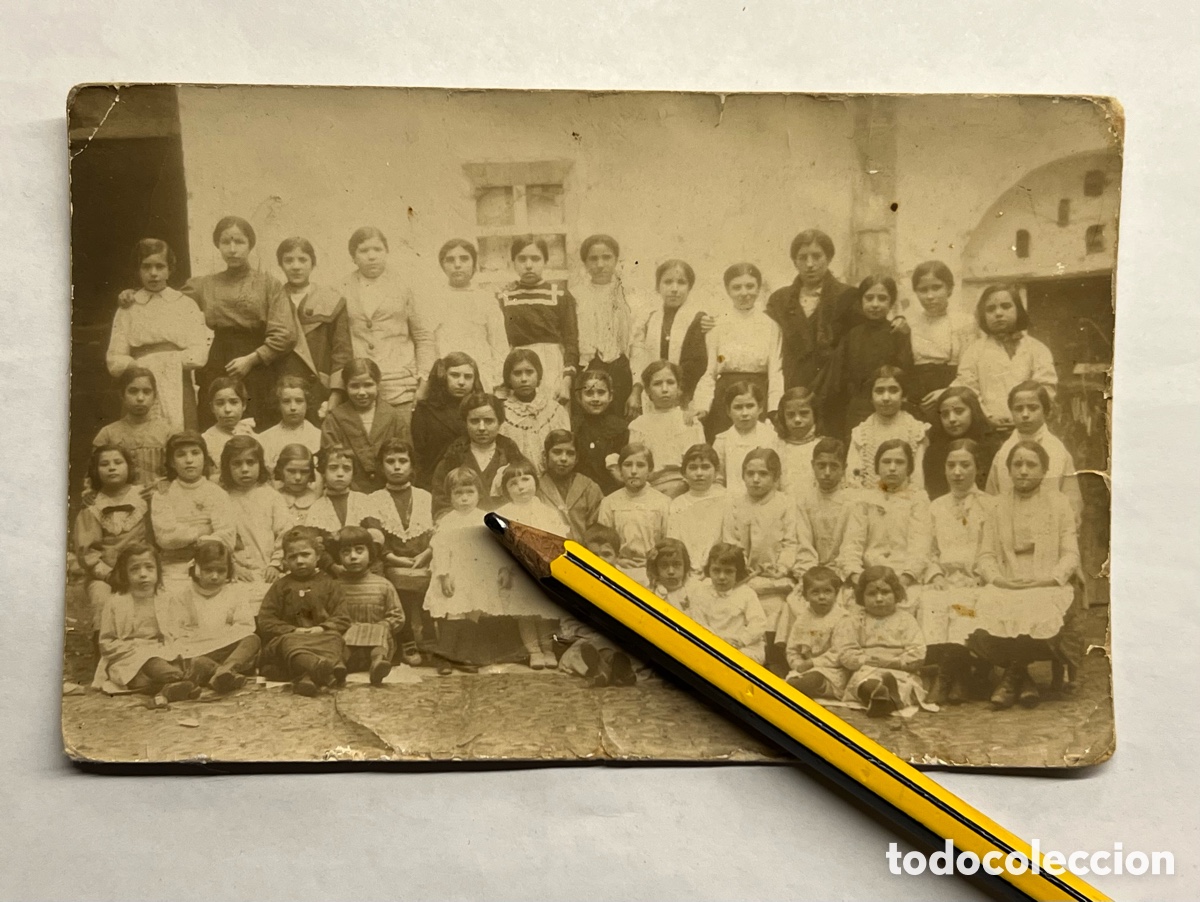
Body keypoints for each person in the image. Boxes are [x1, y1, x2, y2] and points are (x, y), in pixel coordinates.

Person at [970, 441, 1082, 709]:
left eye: (1031, 464)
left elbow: (1071, 554)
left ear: (1044, 470)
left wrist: (1049, 578)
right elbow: (985, 556)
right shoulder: (996, 507)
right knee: (979, 608)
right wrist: (999, 580)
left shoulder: (1059, 504)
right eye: (1017, 464)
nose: (1023, 470)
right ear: (1008, 470)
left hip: (1046, 581)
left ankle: (1013, 678)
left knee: (1037, 606)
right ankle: (1023, 678)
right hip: (1007, 580)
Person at [179, 215, 297, 430]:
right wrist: (133, 296)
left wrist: (252, 360)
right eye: (226, 242)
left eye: (239, 242)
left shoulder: (268, 284)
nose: (232, 249)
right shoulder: (204, 285)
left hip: (257, 364)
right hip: (217, 362)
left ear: (250, 244)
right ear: (218, 245)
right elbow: (168, 303)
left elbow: (285, 334)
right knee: (215, 422)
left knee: (256, 423)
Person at [423, 468, 525, 673]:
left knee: (472, 614)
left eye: (469, 492)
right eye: (458, 494)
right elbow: (441, 550)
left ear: (479, 493)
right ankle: (443, 655)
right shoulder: (448, 521)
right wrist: (444, 575)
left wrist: (504, 569)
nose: (464, 499)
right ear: (450, 496)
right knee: (454, 614)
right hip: (455, 574)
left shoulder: (485, 519)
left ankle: (463, 655)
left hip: (478, 576)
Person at [107, 238, 211, 430]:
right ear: (138, 270)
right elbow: (114, 359)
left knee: (181, 441)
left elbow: (199, 353)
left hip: (178, 385)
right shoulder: (128, 308)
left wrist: (169, 361)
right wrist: (140, 365)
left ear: (170, 269)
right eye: (146, 267)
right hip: (140, 385)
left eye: (160, 266)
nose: (153, 273)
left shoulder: (185, 305)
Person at [922, 439, 995, 705]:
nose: (957, 472)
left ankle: (949, 678)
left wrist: (981, 575)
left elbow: (993, 551)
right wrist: (936, 575)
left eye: (965, 465)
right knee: (932, 601)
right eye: (951, 465)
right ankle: (957, 675)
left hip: (977, 581)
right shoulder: (936, 507)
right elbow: (928, 550)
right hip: (945, 579)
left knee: (963, 605)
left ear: (978, 468)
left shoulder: (990, 506)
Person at [719, 448, 804, 671]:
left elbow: (790, 541)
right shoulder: (736, 504)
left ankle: (775, 657)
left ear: (776, 478)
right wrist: (743, 568)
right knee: (739, 601)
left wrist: (781, 567)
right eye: (750, 473)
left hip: (776, 577)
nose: (756, 479)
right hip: (745, 577)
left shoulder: (785, 503)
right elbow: (731, 542)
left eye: (763, 474)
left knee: (778, 604)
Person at [340, 226, 435, 419]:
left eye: (377, 249)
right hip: (361, 386)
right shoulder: (341, 288)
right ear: (353, 257)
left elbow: (424, 337)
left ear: (387, 252)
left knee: (401, 445)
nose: (371, 256)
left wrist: (424, 381)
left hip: (401, 384)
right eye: (364, 251)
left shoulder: (405, 286)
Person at [92, 544, 203, 700]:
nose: (143, 574)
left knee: (186, 658)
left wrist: (176, 647)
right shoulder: (115, 602)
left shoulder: (167, 599)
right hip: (129, 658)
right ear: (125, 573)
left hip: (163, 651)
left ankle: (181, 682)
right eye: (135, 569)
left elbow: (177, 632)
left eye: (149, 567)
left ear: (158, 571)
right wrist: (137, 649)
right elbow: (106, 643)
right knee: (151, 664)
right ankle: (184, 681)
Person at [256, 526, 350, 697]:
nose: (299, 561)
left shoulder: (330, 584)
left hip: (320, 636)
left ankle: (308, 676)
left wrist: (322, 628)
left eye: (305, 555)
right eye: (292, 557)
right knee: (288, 644)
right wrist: (293, 630)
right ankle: (323, 671)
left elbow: (342, 616)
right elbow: (266, 620)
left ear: (318, 556)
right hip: (292, 638)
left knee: (335, 638)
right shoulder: (280, 586)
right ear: (285, 561)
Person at [817, 274, 913, 438]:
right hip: (858, 410)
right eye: (869, 298)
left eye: (882, 298)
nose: (875, 304)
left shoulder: (897, 333)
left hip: (889, 408)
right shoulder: (852, 335)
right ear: (861, 301)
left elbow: (906, 372)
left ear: (891, 303)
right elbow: (834, 377)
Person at [952, 283, 1056, 432]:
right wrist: (987, 417)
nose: (998, 313)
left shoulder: (1037, 349)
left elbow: (1046, 388)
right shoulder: (974, 352)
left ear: (1018, 310)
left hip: (1029, 428)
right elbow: (968, 390)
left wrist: (1026, 415)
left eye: (1006, 306)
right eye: (990, 309)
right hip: (989, 429)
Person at [765, 229, 860, 392]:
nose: (810, 264)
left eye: (816, 256)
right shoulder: (779, 300)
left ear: (829, 258)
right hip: (792, 390)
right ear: (795, 261)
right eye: (802, 258)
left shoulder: (848, 296)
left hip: (833, 390)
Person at [367, 439, 434, 666]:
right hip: (392, 562)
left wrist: (425, 554)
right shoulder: (374, 499)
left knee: (432, 590)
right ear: (381, 466)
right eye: (390, 461)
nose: (397, 467)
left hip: (423, 559)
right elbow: (374, 534)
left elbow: (433, 532)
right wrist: (393, 558)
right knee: (398, 596)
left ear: (412, 466)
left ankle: (431, 641)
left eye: (403, 461)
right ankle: (407, 641)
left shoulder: (425, 496)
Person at [495, 459, 567, 669]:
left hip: (543, 567)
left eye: (526, 480)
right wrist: (505, 569)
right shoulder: (504, 513)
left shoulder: (547, 511)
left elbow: (558, 539)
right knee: (525, 613)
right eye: (514, 484)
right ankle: (534, 651)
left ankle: (548, 649)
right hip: (518, 570)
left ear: (535, 482)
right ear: (506, 490)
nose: (521, 486)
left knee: (544, 612)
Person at [163, 539, 261, 694]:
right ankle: (220, 674)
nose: (215, 576)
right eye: (208, 570)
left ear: (228, 571)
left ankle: (226, 669)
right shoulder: (182, 596)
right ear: (196, 569)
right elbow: (175, 631)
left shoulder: (236, 593)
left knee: (252, 640)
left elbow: (245, 625)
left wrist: (223, 637)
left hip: (226, 646)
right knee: (192, 660)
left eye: (221, 571)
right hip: (197, 649)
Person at [831, 565, 928, 718]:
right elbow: (846, 651)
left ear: (896, 593)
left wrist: (896, 663)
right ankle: (879, 695)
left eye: (885, 592)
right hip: (867, 668)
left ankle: (891, 698)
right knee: (864, 682)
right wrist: (866, 660)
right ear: (861, 596)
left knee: (904, 686)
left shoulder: (906, 620)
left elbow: (917, 651)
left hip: (900, 670)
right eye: (871, 594)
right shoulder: (855, 620)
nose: (879, 599)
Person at [273, 236, 353, 420]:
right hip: (282, 393)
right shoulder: (273, 299)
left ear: (313, 263)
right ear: (281, 264)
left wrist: (335, 394)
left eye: (302, 260)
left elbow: (342, 352)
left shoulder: (331, 300)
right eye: (288, 260)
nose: (296, 266)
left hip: (319, 389)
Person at [837, 440, 935, 590]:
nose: (892, 468)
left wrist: (904, 580)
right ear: (877, 467)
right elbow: (852, 545)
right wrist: (857, 577)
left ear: (909, 468)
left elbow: (920, 549)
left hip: (906, 579)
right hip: (868, 577)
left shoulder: (918, 500)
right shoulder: (864, 500)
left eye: (900, 462)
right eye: (886, 462)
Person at [74, 445, 148, 641]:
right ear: (95, 471)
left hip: (142, 568)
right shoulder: (92, 506)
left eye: (118, 462)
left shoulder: (144, 497)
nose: (112, 468)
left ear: (129, 467)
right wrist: (109, 576)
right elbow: (87, 553)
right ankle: (104, 654)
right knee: (102, 598)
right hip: (105, 574)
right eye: (104, 464)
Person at [496, 235, 579, 404]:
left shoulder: (560, 294)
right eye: (522, 259)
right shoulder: (504, 296)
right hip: (518, 368)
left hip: (552, 366)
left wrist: (566, 381)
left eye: (535, 259)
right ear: (513, 262)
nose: (528, 265)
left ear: (545, 261)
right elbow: (499, 341)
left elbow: (571, 340)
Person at [150, 431, 236, 592]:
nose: (189, 460)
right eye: (181, 455)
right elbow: (166, 538)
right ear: (172, 462)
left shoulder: (217, 493)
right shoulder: (163, 494)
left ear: (204, 458)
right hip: (174, 567)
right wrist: (204, 531)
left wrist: (189, 539)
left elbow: (227, 537)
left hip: (212, 566)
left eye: (195, 453)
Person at [424, 239, 509, 394]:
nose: (457, 265)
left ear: (474, 263)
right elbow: (427, 345)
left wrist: (496, 382)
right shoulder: (433, 300)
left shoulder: (486, 299)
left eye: (464, 259)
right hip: (445, 380)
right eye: (450, 260)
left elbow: (499, 345)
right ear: (442, 265)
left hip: (480, 379)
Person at [628, 259, 709, 416]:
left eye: (681, 283)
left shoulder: (698, 319)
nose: (674, 289)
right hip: (653, 396)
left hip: (684, 397)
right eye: (667, 282)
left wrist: (676, 392)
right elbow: (639, 359)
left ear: (689, 287)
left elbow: (697, 364)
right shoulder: (649, 319)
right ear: (658, 286)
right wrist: (637, 391)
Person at [986, 381, 1081, 512]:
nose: (1025, 414)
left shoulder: (1058, 452)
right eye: (1018, 409)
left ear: (1045, 411)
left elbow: (1072, 504)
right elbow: (991, 501)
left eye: (1033, 408)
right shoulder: (1002, 454)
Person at [320, 358, 410, 493]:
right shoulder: (334, 420)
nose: (362, 392)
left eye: (368, 385)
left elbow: (407, 457)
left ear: (378, 385)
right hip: (349, 493)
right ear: (346, 386)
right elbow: (329, 460)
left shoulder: (394, 417)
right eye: (354, 386)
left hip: (389, 491)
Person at [429, 392, 525, 517]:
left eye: (488, 421)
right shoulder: (452, 459)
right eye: (474, 421)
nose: (481, 427)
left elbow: (525, 498)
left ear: (499, 422)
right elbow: (441, 504)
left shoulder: (512, 457)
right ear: (465, 423)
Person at [333, 526, 405, 685]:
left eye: (359, 551)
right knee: (337, 641)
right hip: (348, 646)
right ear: (339, 557)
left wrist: (384, 625)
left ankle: (377, 665)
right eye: (346, 552)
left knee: (380, 633)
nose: (353, 557)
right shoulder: (335, 587)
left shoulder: (383, 585)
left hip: (378, 646)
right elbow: (328, 616)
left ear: (370, 554)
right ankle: (338, 666)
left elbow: (397, 616)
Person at [574, 234, 637, 414]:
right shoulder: (575, 295)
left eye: (606, 257)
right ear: (585, 263)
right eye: (593, 259)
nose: (600, 264)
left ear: (616, 259)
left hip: (621, 369)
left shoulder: (628, 295)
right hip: (588, 367)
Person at [906, 261, 977, 416]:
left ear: (949, 289)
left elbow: (970, 369)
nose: (930, 296)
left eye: (936, 287)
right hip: (919, 399)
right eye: (923, 290)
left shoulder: (965, 323)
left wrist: (948, 393)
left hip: (954, 395)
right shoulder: (911, 324)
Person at [595, 443, 671, 586]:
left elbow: (667, 542)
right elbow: (603, 542)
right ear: (620, 470)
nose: (634, 471)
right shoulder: (609, 502)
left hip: (652, 570)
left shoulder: (663, 502)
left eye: (640, 465)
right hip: (619, 568)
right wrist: (617, 560)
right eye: (628, 465)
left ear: (650, 470)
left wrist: (654, 561)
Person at [627, 360, 705, 498]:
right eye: (657, 384)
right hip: (649, 491)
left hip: (687, 488)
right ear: (648, 391)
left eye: (670, 382)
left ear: (679, 387)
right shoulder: (638, 425)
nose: (664, 389)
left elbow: (701, 461)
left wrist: (683, 486)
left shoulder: (688, 421)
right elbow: (636, 465)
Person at [845, 366, 929, 491]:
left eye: (893, 390)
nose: (885, 398)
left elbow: (918, 478)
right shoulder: (860, 433)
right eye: (879, 391)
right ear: (871, 397)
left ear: (904, 395)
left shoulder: (916, 431)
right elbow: (853, 477)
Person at [221, 435, 289, 584]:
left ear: (260, 464)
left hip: (269, 573)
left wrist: (276, 565)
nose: (244, 469)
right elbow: (218, 540)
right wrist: (232, 567)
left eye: (250, 462)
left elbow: (285, 534)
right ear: (227, 467)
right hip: (235, 575)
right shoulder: (221, 499)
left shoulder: (272, 497)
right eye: (237, 464)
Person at [91, 367, 175, 488]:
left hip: (159, 498)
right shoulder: (108, 433)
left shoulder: (168, 432)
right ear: (122, 395)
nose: (140, 398)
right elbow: (93, 475)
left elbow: (177, 473)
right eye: (133, 391)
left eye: (146, 392)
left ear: (154, 396)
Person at [687, 544, 768, 666]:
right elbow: (699, 623)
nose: (721, 577)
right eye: (716, 570)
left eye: (729, 571)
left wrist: (741, 640)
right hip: (713, 644)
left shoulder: (746, 593)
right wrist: (718, 642)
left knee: (743, 659)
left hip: (741, 646)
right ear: (709, 570)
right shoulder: (700, 593)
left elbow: (758, 622)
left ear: (738, 572)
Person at [410, 352, 481, 489]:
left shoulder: (480, 409)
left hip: (474, 484)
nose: (461, 382)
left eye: (468, 377)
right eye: (454, 375)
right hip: (434, 483)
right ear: (443, 377)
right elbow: (418, 455)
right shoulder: (425, 410)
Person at [499, 348, 570, 473]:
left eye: (529, 372)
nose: (524, 379)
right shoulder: (502, 412)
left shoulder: (555, 410)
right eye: (517, 373)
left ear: (538, 375)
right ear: (508, 378)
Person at [783, 566, 848, 700]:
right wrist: (797, 664)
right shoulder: (802, 619)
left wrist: (814, 663)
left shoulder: (842, 618)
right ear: (806, 596)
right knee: (795, 679)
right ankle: (803, 685)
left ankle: (811, 686)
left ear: (836, 593)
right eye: (815, 592)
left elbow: (840, 652)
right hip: (806, 668)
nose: (822, 597)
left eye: (827, 591)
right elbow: (792, 649)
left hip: (833, 669)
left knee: (816, 678)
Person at [795, 438, 855, 572]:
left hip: (842, 571)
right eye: (821, 466)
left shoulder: (852, 503)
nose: (827, 473)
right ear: (813, 465)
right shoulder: (804, 502)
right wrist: (810, 573)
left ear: (844, 468)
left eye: (834, 466)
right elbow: (804, 546)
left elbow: (851, 547)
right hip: (812, 573)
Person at [923, 386, 993, 499]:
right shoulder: (934, 452)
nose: (951, 419)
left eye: (959, 411)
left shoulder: (991, 447)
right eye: (945, 414)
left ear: (973, 411)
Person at [666, 444, 726, 576]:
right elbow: (674, 543)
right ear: (684, 472)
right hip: (686, 571)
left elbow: (728, 540)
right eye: (693, 468)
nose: (699, 473)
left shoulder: (726, 500)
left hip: (718, 569)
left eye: (705, 467)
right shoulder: (678, 504)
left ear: (716, 471)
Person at [570, 368, 628, 495]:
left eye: (601, 393)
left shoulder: (620, 428)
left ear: (610, 396)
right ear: (579, 397)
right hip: (580, 492)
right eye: (589, 393)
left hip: (611, 491)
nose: (595, 398)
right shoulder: (572, 427)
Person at [537, 430, 603, 541]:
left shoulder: (589, 488)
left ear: (577, 458)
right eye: (557, 452)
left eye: (570, 453)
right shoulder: (535, 488)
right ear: (545, 455)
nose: (563, 458)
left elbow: (599, 530)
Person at [710, 381, 779, 487]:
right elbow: (717, 478)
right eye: (738, 407)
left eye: (750, 406)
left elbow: (777, 476)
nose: (744, 413)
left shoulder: (771, 437)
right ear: (728, 411)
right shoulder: (722, 440)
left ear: (760, 408)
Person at [305, 444, 384, 538]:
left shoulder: (363, 502)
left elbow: (376, 536)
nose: (340, 474)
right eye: (333, 468)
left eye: (346, 468)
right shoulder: (317, 507)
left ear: (353, 472)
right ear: (323, 472)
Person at [257, 375, 322, 473]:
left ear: (307, 403)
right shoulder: (264, 438)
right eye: (286, 401)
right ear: (278, 404)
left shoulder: (320, 437)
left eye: (299, 401)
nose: (293, 407)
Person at [773, 386, 820, 496]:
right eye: (790, 415)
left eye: (804, 413)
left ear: (815, 414)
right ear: (783, 417)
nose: (797, 420)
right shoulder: (775, 446)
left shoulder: (821, 445)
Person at [201, 376, 256, 469]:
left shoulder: (253, 434)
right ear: (212, 408)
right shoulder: (206, 440)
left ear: (244, 405)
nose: (227, 409)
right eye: (220, 403)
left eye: (234, 402)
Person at [274, 443, 322, 528]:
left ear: (311, 473)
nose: (298, 477)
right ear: (280, 470)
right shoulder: (274, 499)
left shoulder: (318, 501)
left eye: (304, 472)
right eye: (291, 471)